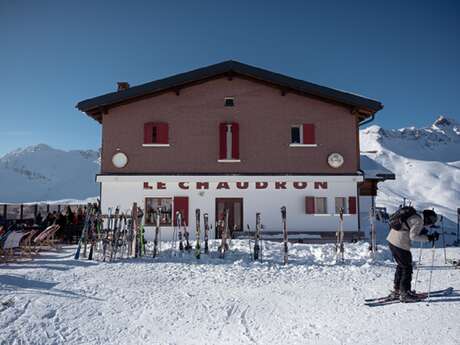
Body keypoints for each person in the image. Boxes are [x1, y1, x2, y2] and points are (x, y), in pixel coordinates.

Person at [387, 209, 439, 302]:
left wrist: (422, 233)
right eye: (431, 220)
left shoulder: (415, 216)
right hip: (400, 244)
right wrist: (429, 238)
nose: (431, 223)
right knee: (407, 267)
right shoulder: (419, 221)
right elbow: (413, 236)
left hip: (392, 241)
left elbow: (409, 228)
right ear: (427, 218)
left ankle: (398, 290)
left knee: (401, 266)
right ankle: (405, 293)